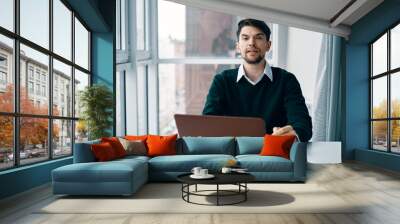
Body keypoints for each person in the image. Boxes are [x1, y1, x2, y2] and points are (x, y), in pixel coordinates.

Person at [202, 18, 312, 142]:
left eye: (258, 38)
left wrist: (294, 133)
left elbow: (303, 125)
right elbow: (208, 124)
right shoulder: (222, 81)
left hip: (274, 155)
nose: (251, 43)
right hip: (232, 156)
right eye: (245, 38)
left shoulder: (287, 80)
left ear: (268, 45)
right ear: (238, 46)